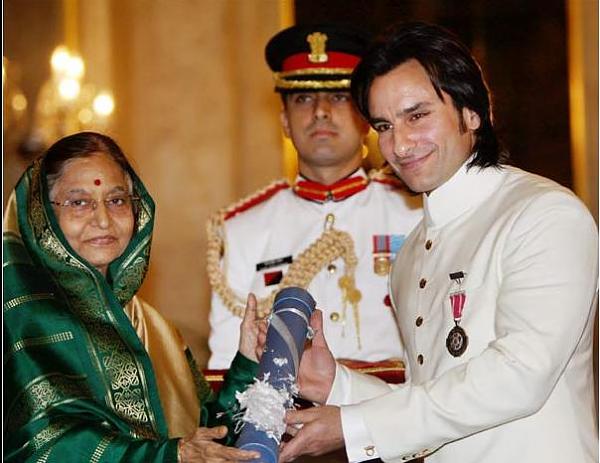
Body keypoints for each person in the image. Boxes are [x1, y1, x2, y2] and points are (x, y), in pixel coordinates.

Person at [279, 22, 599, 463]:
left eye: (417, 116)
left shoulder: (543, 214)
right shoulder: (412, 252)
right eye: (384, 125)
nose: (399, 144)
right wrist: (338, 385)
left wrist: (354, 427)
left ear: (472, 112)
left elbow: (519, 377)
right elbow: (431, 404)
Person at [3, 131, 267, 463]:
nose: (103, 220)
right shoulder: (23, 319)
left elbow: (209, 439)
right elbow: (43, 447)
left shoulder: (153, 327)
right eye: (79, 202)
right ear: (42, 214)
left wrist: (247, 362)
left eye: (116, 201)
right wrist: (170, 455)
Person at [207, 23, 422, 374]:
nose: (320, 111)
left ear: (367, 117)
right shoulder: (242, 229)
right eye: (303, 98)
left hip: (394, 403)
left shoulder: (416, 211)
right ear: (284, 122)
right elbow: (227, 367)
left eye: (338, 97)